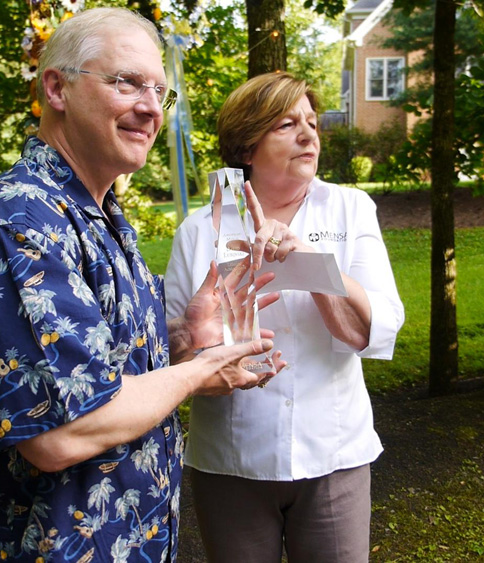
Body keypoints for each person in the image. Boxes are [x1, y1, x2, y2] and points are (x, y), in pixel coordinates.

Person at [0, 8, 283, 562]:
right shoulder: (19, 220)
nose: (149, 107)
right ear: (57, 88)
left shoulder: (98, 216)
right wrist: (200, 370)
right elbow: (61, 433)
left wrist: (185, 337)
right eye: (126, 82)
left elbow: (103, 365)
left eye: (159, 92)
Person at [164, 72, 405, 562]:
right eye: (287, 124)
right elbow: (168, 351)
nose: (308, 135)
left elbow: (378, 324)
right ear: (247, 145)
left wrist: (311, 263)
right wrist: (195, 334)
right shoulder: (198, 229)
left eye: (312, 123)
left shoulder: (351, 208)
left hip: (335, 455)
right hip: (231, 462)